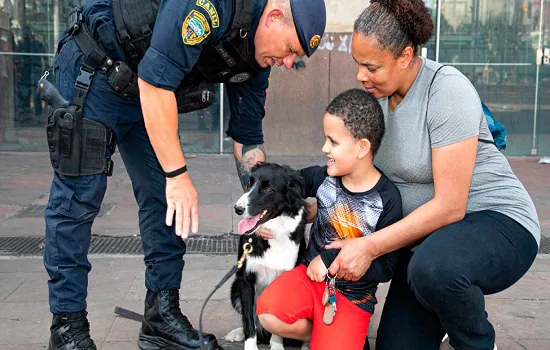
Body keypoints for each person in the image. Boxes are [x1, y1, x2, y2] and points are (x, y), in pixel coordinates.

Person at [43, 0, 326, 349]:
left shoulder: (256, 59)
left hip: (145, 90)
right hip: (97, 69)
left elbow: (248, 144)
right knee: (77, 200)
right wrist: (178, 175)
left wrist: (269, 208)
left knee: (165, 199)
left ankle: (160, 317)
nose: (286, 62)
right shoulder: (212, 6)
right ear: (274, 16)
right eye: (289, 50)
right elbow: (157, 82)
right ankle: (67, 328)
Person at [322, 1, 541, 349]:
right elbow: (352, 170)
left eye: (371, 66)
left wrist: (368, 246)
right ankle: (443, 308)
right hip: (425, 245)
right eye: (357, 64)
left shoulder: (446, 90)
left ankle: (477, 341)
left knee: (435, 270)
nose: (360, 75)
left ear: (406, 56)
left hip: (497, 223)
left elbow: (451, 207)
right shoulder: (373, 101)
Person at [255, 88, 403, 350]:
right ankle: (326, 335)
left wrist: (330, 260)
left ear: (362, 148)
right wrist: (262, 216)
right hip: (308, 279)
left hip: (352, 297)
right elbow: (281, 185)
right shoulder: (323, 177)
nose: (324, 148)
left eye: (333, 142)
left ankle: (339, 336)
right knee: (267, 311)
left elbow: (386, 269)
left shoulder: (387, 199)